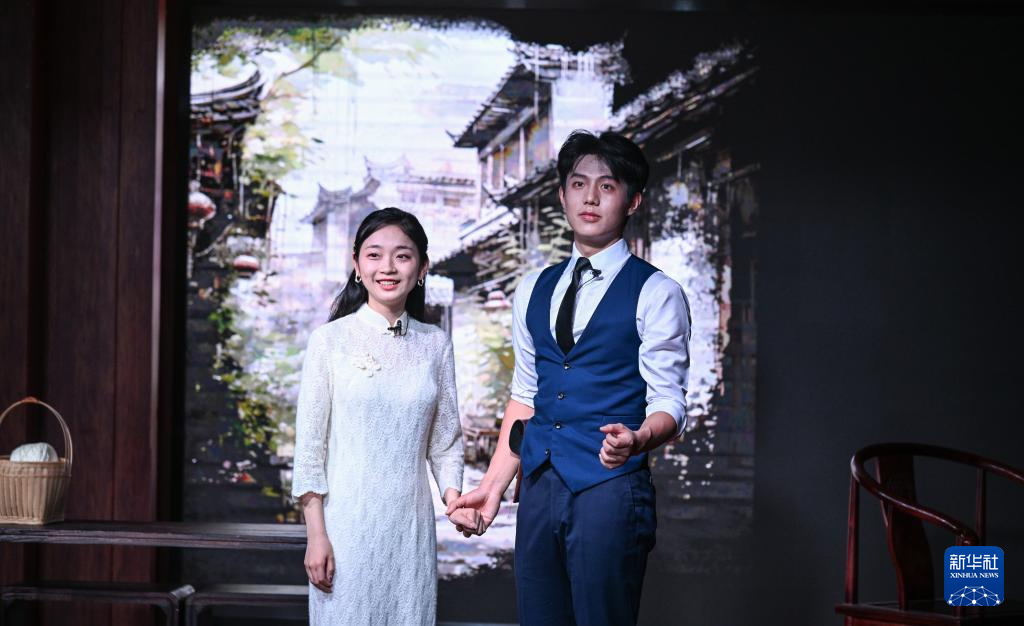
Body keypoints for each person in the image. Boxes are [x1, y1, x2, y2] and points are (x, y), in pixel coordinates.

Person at [446, 131, 691, 626]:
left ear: (633, 201)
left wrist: (639, 438)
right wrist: (493, 486)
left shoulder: (657, 292)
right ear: (562, 195)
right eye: (578, 184)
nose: (590, 197)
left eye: (607, 186)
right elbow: (525, 396)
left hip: (609, 489)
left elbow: (670, 402)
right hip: (539, 488)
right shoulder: (533, 288)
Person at [292, 207, 480, 625]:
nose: (388, 267)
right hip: (345, 531)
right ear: (357, 265)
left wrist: (454, 499)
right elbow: (309, 450)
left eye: (403, 255)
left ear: (422, 267)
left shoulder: (436, 344)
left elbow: (445, 441)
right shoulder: (330, 341)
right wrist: (316, 535)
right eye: (374, 255)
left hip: (410, 531)